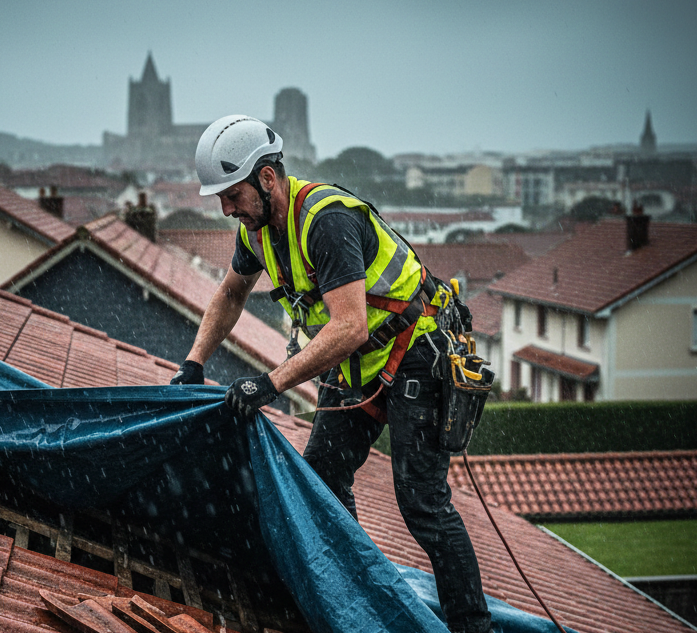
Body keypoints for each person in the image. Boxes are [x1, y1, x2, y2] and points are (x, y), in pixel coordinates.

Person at [170, 115, 492, 633]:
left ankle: (474, 629)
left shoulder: (326, 219)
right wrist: (193, 363)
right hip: (356, 364)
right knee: (322, 478)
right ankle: (360, 597)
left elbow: (349, 326)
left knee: (421, 503)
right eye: (222, 199)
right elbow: (231, 294)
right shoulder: (256, 233)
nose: (226, 208)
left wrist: (269, 384)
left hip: (416, 351)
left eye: (232, 195)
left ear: (267, 179)